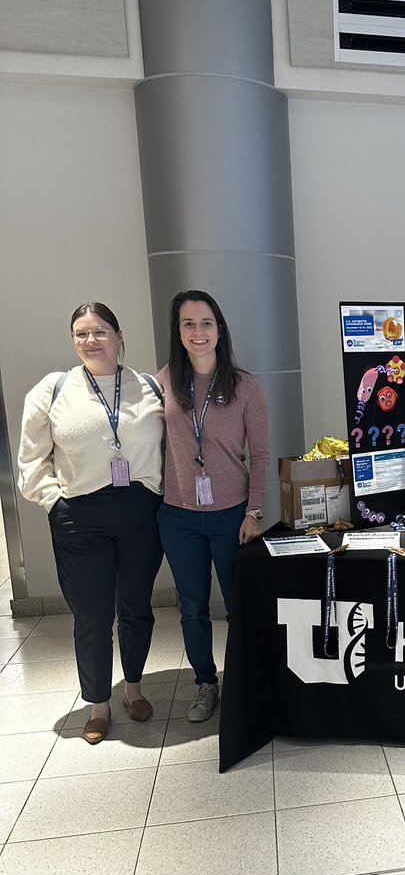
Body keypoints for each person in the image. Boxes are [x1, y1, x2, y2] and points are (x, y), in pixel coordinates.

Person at [18, 303, 165, 743]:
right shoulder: (52, 389)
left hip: (141, 512)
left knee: (137, 607)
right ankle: (98, 703)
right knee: (92, 615)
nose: (90, 340)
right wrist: (53, 502)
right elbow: (31, 459)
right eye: (80, 333)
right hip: (80, 517)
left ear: (119, 336)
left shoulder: (148, 387)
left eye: (100, 331)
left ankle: (133, 690)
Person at [157, 290, 270, 722]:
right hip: (178, 515)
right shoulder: (163, 382)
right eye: (188, 324)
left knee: (239, 603)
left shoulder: (245, 387)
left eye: (206, 323)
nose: (198, 332)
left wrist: (253, 512)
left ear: (219, 330)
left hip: (231, 515)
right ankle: (206, 682)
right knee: (192, 607)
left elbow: (259, 455)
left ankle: (247, 680)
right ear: (178, 332)